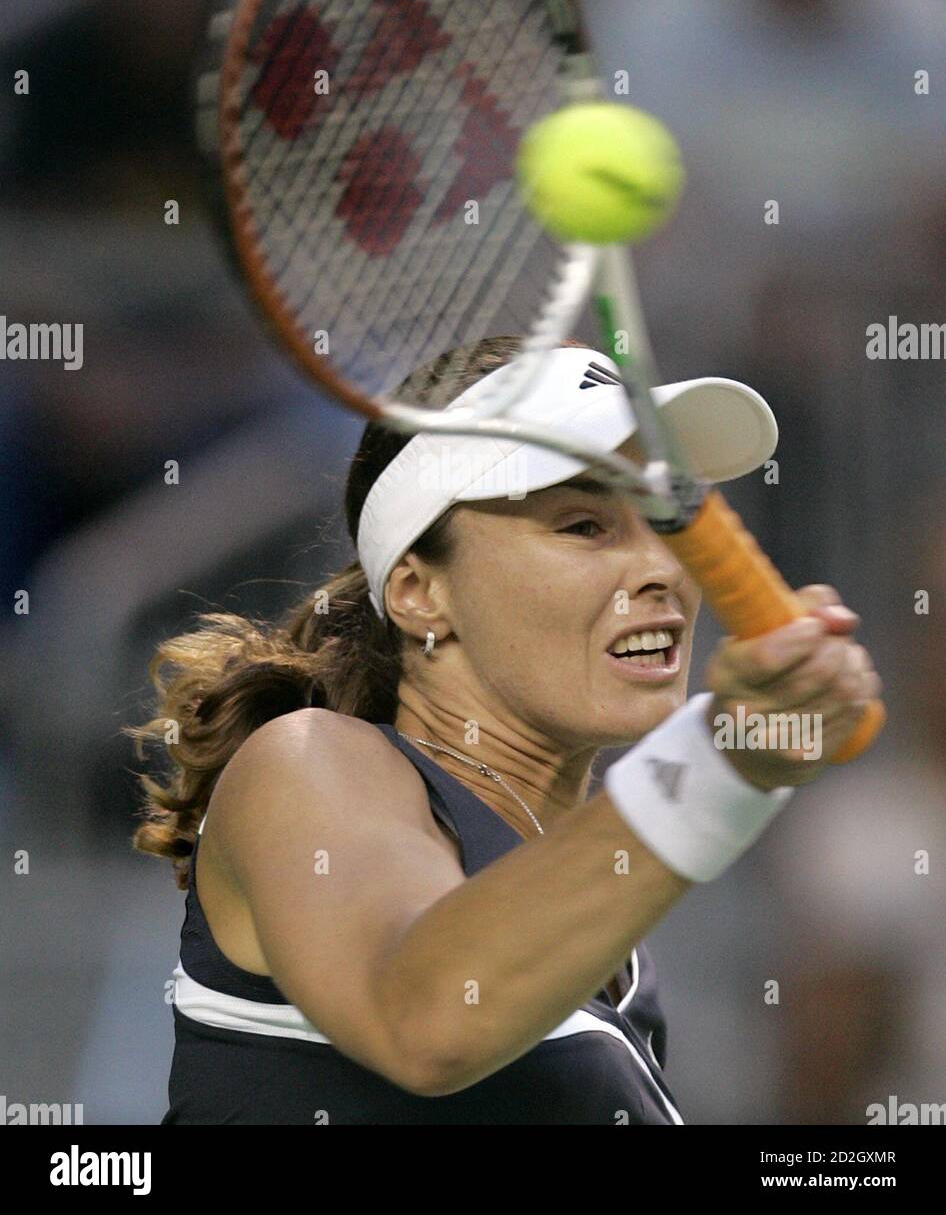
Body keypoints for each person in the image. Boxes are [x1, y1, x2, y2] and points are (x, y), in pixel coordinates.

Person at [130, 335, 880, 1125]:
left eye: (665, 516)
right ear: (420, 591)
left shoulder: (610, 959)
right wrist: (720, 763)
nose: (662, 568)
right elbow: (424, 1018)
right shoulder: (304, 763)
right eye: (584, 525)